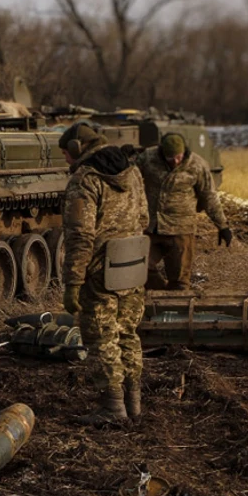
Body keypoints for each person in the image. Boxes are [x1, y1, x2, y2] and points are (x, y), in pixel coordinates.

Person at [57, 122, 148, 426]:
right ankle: (134, 403)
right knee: (128, 334)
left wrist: (73, 283)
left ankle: (112, 407)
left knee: (102, 338)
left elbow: (80, 237)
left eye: (66, 155)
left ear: (75, 149)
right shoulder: (133, 171)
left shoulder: (85, 180)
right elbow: (145, 217)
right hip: (133, 266)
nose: (67, 162)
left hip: (100, 273)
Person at [138, 132, 232, 292]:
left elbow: (209, 196)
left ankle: (176, 310)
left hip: (181, 230)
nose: (175, 161)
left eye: (178, 157)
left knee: (180, 281)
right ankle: (161, 296)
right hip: (152, 227)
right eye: (170, 158)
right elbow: (128, 173)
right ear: (162, 153)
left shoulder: (197, 165)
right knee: (140, 268)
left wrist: (222, 226)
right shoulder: (148, 158)